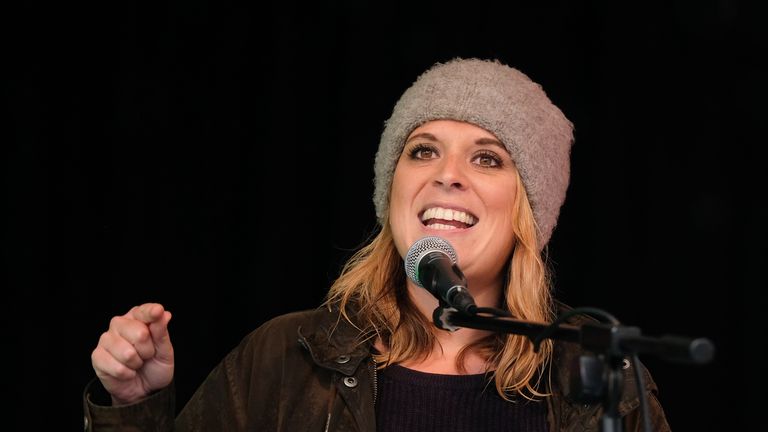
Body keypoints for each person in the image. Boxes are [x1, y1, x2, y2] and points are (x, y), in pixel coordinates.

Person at [84, 57, 671, 431]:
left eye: (487, 158)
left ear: (530, 212)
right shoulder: (284, 357)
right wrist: (134, 407)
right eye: (422, 149)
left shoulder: (590, 372)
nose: (447, 173)